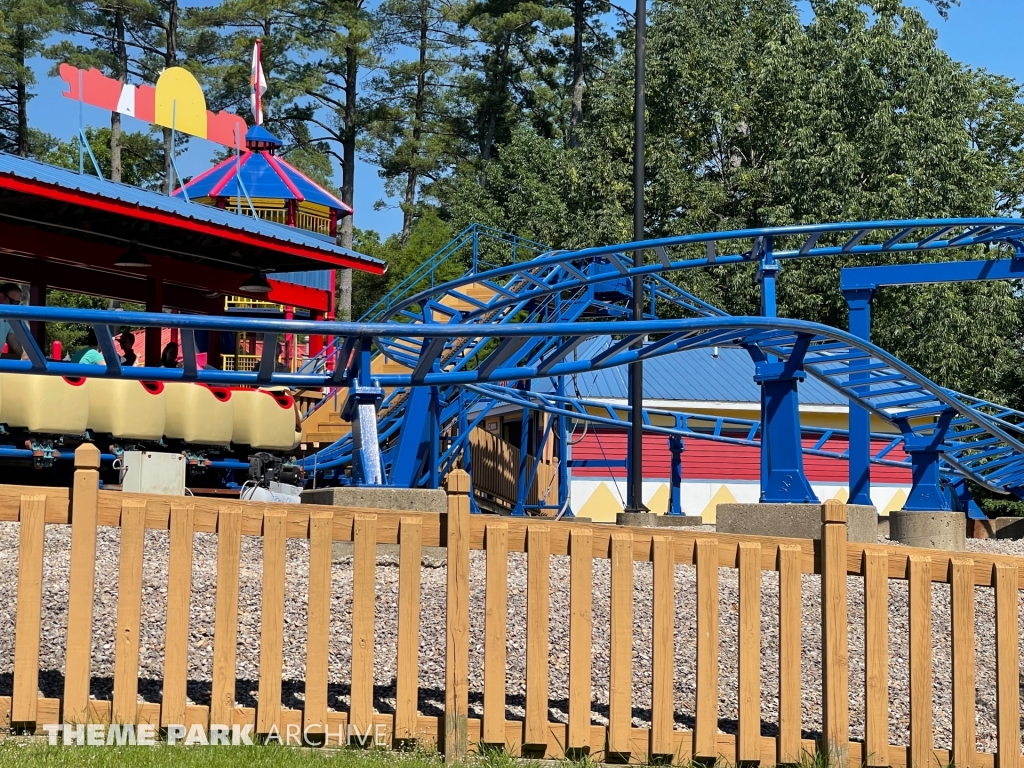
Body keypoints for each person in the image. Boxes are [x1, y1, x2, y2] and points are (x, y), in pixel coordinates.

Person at [0, 283, 25, 360]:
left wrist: (23, 354)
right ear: (1, 297)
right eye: (13, 302)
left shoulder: (9, 315)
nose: (15, 306)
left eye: (18, 303)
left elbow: (12, 337)